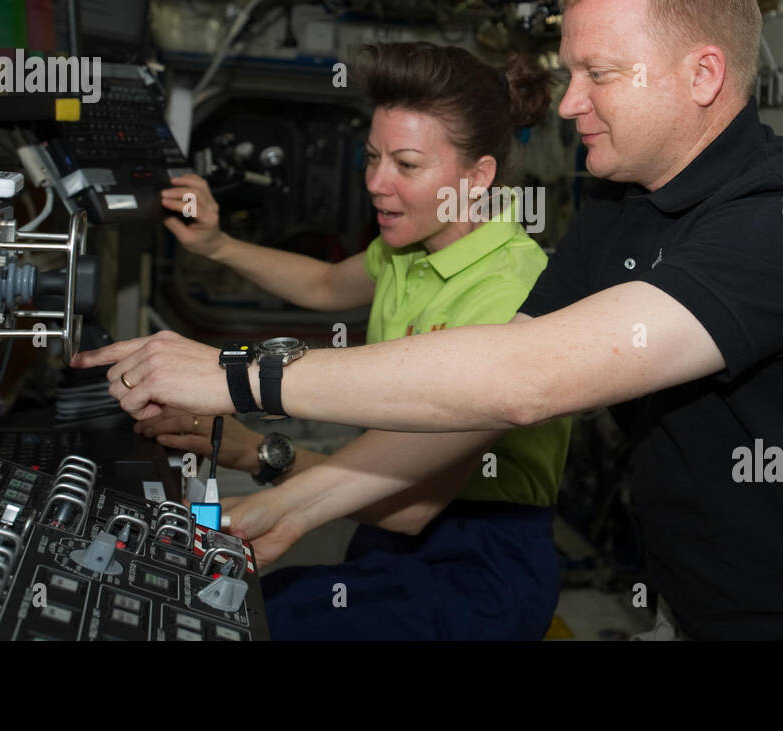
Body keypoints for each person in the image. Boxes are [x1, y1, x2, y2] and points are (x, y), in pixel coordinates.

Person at [75, 0, 783, 641]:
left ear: (702, 75)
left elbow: (528, 381)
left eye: (598, 75)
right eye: (570, 74)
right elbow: (482, 395)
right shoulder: (623, 206)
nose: (568, 104)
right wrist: (293, 506)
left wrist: (237, 375)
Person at [140, 41, 570, 640]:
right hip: (382, 527)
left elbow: (416, 507)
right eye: (372, 157)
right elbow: (322, 283)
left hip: (477, 562)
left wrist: (261, 454)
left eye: (407, 165)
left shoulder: (510, 289)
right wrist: (217, 245)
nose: (375, 182)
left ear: (478, 178)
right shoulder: (410, 244)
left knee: (261, 619)